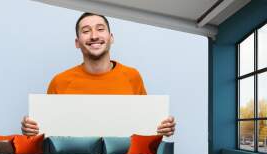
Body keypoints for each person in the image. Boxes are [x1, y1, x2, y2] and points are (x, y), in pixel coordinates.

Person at [21, 12, 176, 137]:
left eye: (100, 29)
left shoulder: (132, 76)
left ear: (111, 38)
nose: (94, 36)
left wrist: (162, 129)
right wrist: (31, 130)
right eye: (86, 31)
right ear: (77, 42)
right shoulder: (60, 81)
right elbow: (46, 134)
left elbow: (145, 128)